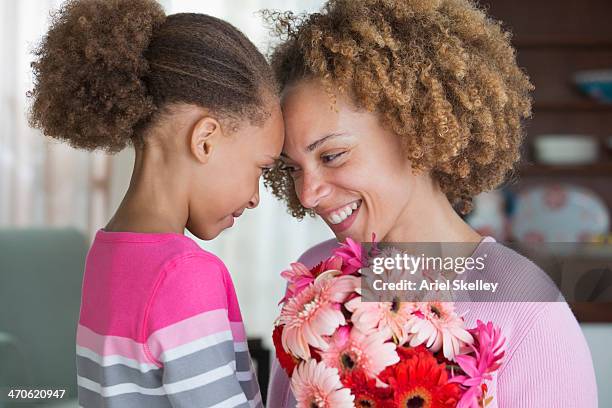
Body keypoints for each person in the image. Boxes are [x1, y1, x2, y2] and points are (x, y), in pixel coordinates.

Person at [263, 0, 598, 406]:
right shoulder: (316, 284)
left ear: (414, 130)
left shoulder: (527, 308)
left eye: (332, 156)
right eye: (292, 168)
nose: (307, 194)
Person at [28, 0, 283, 406]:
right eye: (261, 168)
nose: (255, 197)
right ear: (205, 140)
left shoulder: (105, 252)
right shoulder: (185, 274)